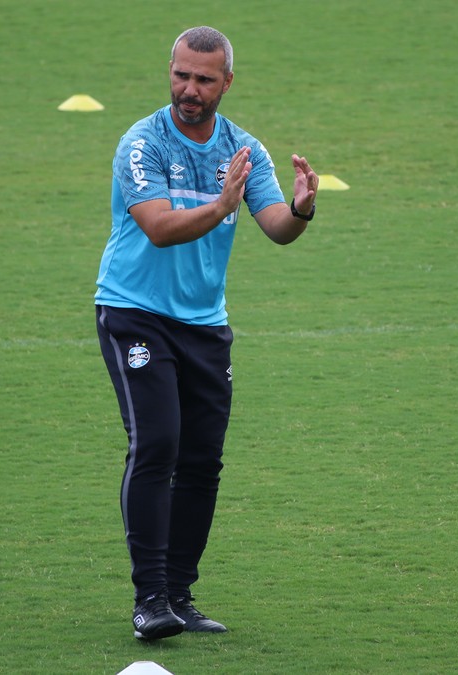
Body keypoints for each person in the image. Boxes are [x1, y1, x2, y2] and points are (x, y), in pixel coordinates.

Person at [93, 25, 318, 641]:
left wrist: (299, 208)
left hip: (203, 324)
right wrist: (220, 208)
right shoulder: (141, 142)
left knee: (201, 461)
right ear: (170, 70)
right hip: (134, 311)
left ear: (227, 82)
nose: (189, 90)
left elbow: (274, 225)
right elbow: (159, 228)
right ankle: (149, 600)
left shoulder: (245, 149)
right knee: (157, 444)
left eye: (203, 80)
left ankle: (179, 596)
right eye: (181, 75)